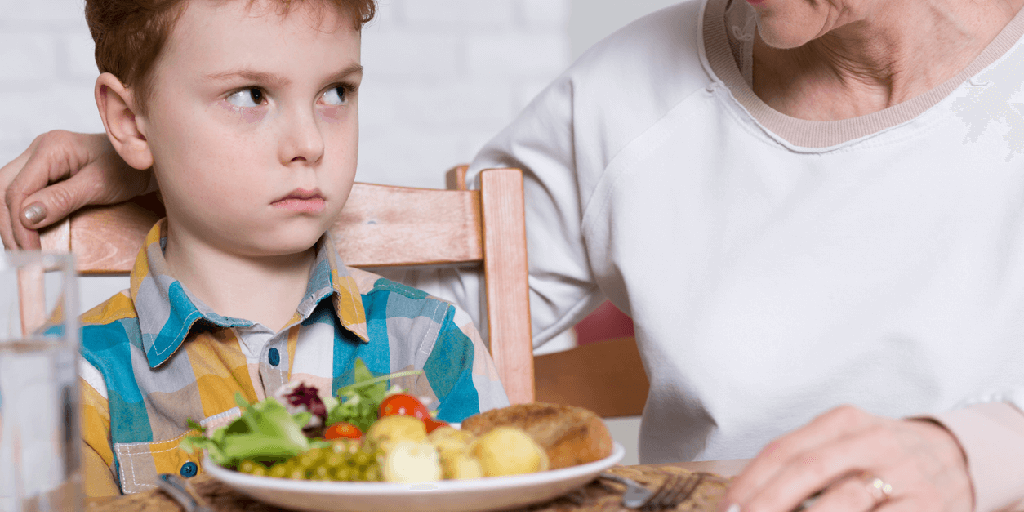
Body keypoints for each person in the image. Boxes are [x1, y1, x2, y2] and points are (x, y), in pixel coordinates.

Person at [4, 0, 1024, 510]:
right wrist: (178, 160)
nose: (309, 129)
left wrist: (972, 455)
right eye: (253, 94)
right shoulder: (630, 96)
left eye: (334, 94)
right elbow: (391, 309)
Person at [46, 0, 508, 497]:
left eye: (336, 92)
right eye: (250, 95)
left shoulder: (432, 343)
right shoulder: (70, 376)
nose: (309, 142)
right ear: (132, 122)